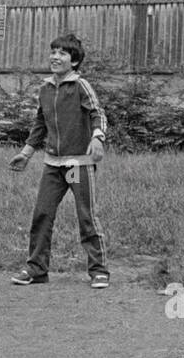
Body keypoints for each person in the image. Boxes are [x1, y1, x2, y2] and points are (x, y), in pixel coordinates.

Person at [8, 33, 109, 288]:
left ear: (74, 61)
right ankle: (37, 269)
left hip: (77, 166)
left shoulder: (81, 86)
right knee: (42, 213)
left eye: (62, 53)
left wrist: (98, 138)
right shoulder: (45, 88)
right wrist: (27, 153)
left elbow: (98, 113)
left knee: (86, 215)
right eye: (53, 51)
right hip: (53, 166)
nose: (55, 57)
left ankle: (98, 270)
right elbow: (40, 123)